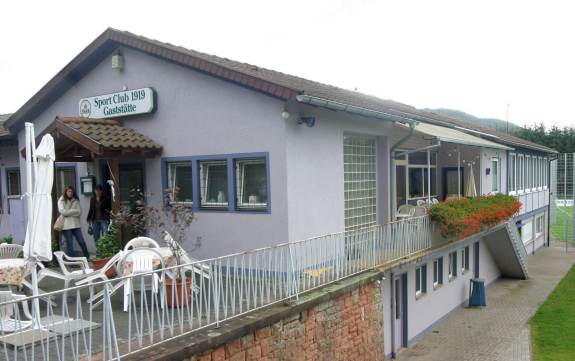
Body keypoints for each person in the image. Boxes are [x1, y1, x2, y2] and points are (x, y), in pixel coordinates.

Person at [58, 186, 90, 259]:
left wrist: (68, 212)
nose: (70, 193)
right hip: (66, 226)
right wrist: (73, 211)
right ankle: (72, 261)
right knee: (70, 245)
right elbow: (62, 212)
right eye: (69, 191)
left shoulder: (75, 200)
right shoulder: (61, 200)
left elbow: (79, 212)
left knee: (82, 242)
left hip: (76, 225)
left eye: (72, 191)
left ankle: (87, 258)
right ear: (65, 192)